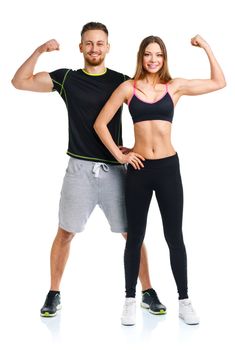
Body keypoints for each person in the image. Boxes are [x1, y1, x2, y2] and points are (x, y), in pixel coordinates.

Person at [11, 22, 166, 317]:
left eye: (100, 43)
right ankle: (53, 293)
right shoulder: (67, 78)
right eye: (89, 43)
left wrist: (133, 147)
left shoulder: (122, 81)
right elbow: (20, 81)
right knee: (65, 233)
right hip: (79, 170)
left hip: (115, 171)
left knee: (132, 234)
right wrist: (40, 50)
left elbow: (151, 110)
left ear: (107, 47)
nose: (94, 48)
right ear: (81, 47)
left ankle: (147, 291)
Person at [94, 34, 226, 326]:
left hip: (168, 167)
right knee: (135, 237)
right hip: (139, 170)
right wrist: (120, 155)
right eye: (148, 54)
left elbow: (219, 82)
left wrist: (206, 46)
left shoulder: (174, 87)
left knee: (174, 236)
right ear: (141, 57)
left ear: (164, 59)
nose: (153, 59)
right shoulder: (128, 88)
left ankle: (184, 300)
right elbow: (100, 123)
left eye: (159, 55)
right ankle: (130, 299)